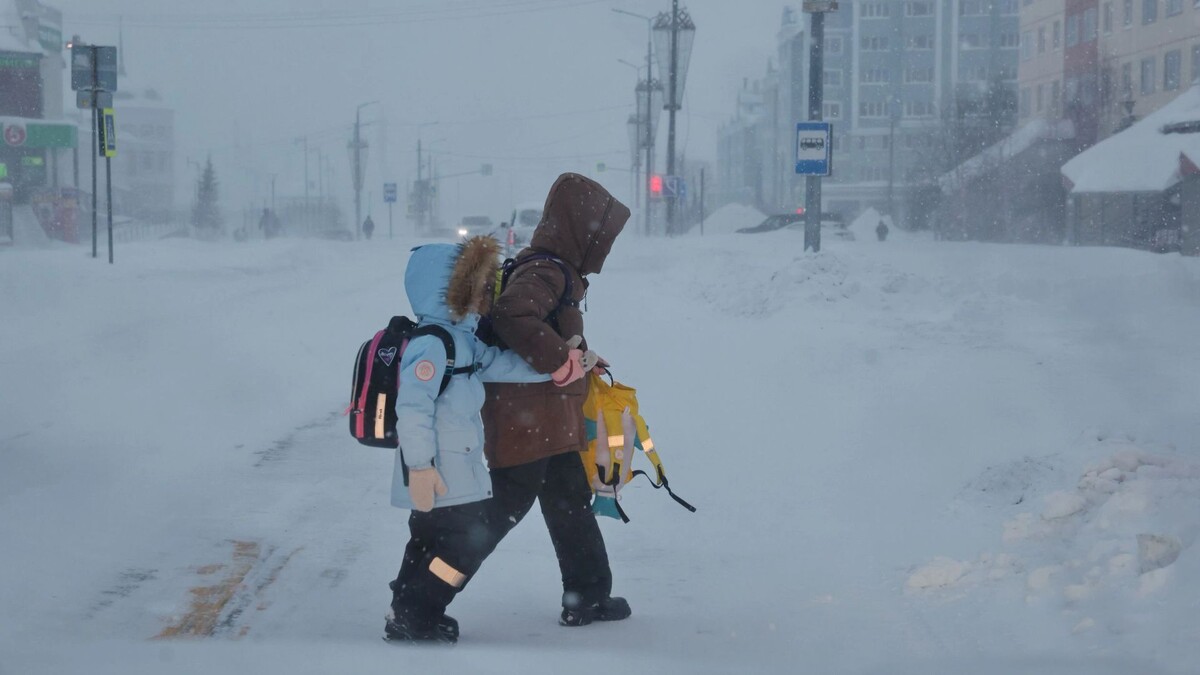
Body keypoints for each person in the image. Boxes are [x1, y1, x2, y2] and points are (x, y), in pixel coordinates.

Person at [385, 236, 583, 644]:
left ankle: (406, 612)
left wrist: (562, 362)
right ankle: (420, 611)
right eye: (476, 287)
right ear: (452, 291)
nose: (484, 296)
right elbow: (413, 410)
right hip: (438, 472)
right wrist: (420, 468)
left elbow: (505, 366)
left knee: (427, 540)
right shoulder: (431, 345)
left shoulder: (461, 341)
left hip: (453, 469)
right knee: (458, 547)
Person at [479, 172, 632, 627]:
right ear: (580, 230)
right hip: (527, 419)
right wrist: (560, 362)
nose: (604, 247)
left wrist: (584, 357)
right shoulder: (547, 269)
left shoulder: (557, 269)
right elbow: (513, 315)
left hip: (547, 418)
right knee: (501, 511)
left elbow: (548, 326)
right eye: (602, 236)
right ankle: (424, 596)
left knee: (570, 503)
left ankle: (587, 597)